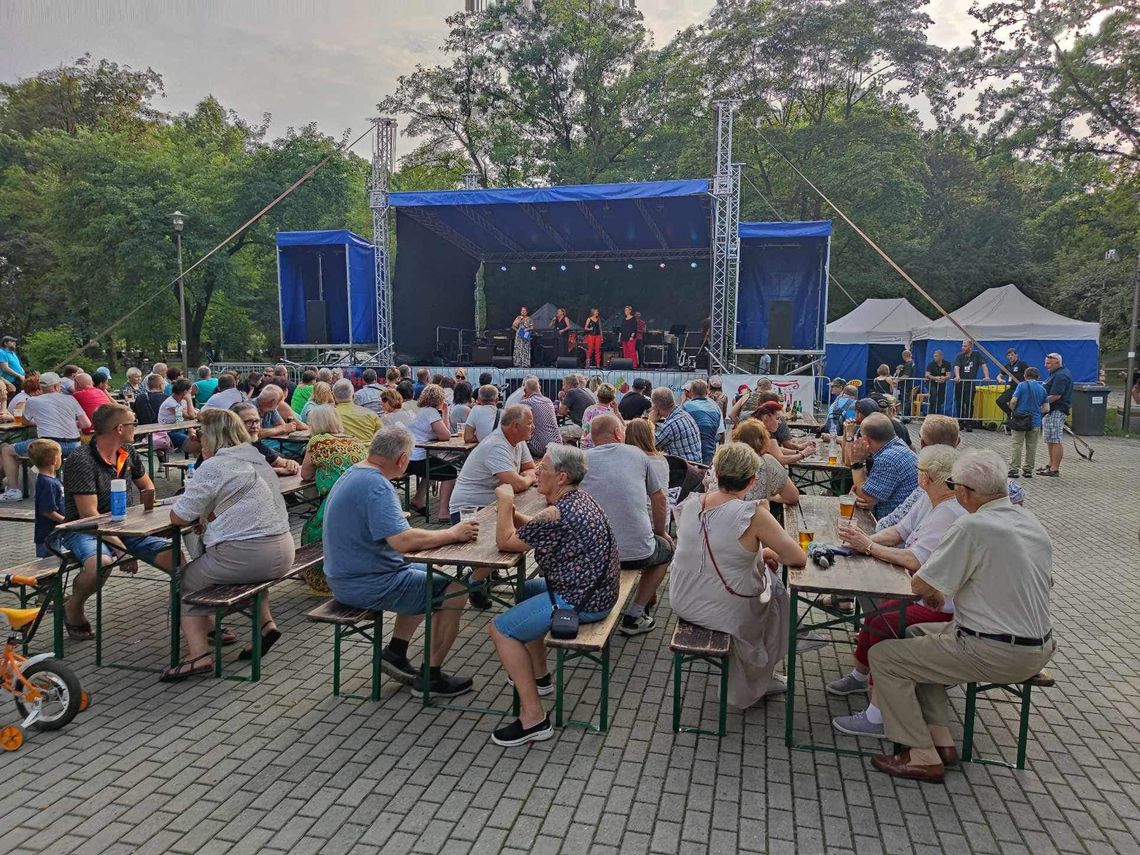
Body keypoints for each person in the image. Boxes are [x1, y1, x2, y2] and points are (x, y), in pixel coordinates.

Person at [868, 449, 1055, 782]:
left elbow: (920, 583)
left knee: (884, 657)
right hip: (1039, 648)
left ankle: (921, 754)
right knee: (915, 638)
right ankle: (941, 741)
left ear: (965, 492)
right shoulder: (1030, 520)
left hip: (993, 649)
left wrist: (934, 591)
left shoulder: (971, 525)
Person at [323, 427, 479, 695]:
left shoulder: (356, 472)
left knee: (430, 572)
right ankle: (430, 678)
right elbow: (403, 542)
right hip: (364, 582)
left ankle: (396, 651)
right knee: (456, 591)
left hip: (347, 574)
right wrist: (451, 533)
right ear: (402, 459)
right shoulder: (376, 485)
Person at [826, 446, 967, 737]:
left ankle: (876, 713)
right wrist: (860, 541)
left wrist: (869, 547)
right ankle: (860, 676)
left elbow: (915, 559)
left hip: (941, 603)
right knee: (877, 609)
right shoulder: (931, 500)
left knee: (882, 621)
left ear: (925, 477)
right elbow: (899, 532)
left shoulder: (949, 512)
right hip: (919, 589)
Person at [490, 445, 620, 746]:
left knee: (500, 630)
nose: (536, 472)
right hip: (597, 591)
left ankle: (533, 719)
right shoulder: (579, 499)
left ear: (561, 477)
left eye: (543, 469)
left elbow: (505, 541)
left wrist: (505, 501)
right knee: (526, 591)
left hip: (582, 602)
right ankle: (539, 676)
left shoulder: (555, 512)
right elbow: (534, 530)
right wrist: (512, 512)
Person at [669, 442, 808, 707]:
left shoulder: (690, 504)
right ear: (753, 480)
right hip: (722, 611)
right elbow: (797, 558)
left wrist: (760, 552)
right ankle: (759, 672)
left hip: (682, 600)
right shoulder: (753, 514)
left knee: (766, 578)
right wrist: (767, 548)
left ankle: (759, 664)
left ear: (717, 474)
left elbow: (720, 549)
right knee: (777, 594)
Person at [161, 408, 294, 681]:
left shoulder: (215, 465)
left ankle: (198, 655)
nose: (200, 440)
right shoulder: (256, 457)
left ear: (213, 436)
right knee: (250, 580)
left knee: (185, 581)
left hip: (248, 554)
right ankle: (265, 626)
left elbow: (178, 517)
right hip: (282, 549)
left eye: (202, 435)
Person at [59, 403, 172, 639]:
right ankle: (73, 608)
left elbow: (147, 486)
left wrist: (149, 518)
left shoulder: (127, 451)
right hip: (84, 528)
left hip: (124, 524)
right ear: (120, 428)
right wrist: (121, 549)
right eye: (134, 424)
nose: (137, 428)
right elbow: (89, 515)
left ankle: (195, 618)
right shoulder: (81, 460)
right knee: (101, 562)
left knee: (175, 557)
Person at [580, 414, 673, 636]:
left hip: (592, 556)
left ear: (592, 438)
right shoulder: (638, 455)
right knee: (667, 550)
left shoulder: (580, 459)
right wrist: (660, 532)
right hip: (636, 554)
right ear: (618, 433)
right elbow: (659, 499)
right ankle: (635, 614)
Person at [292, 404, 369, 592]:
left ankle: (320, 579)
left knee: (310, 529)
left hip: (335, 500)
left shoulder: (318, 442)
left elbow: (306, 474)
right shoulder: (354, 440)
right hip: (360, 500)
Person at [0, 372, 89, 501]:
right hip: (74, 445)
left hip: (49, 446)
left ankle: (14, 491)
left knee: (7, 450)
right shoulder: (71, 399)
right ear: (57, 386)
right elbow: (86, 423)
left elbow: (24, 421)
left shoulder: (33, 401)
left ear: (41, 387)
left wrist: (39, 421)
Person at [449, 405, 536, 524]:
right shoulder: (496, 445)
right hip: (469, 510)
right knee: (521, 529)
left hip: (492, 505)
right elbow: (517, 485)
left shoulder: (518, 440)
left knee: (529, 521)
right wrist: (529, 477)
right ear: (516, 426)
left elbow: (530, 468)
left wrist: (525, 477)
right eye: (529, 424)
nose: (533, 427)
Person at [849, 413, 918, 519]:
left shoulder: (888, 458)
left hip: (893, 526)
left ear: (867, 441)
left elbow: (866, 498)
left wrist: (856, 463)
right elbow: (868, 491)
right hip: (904, 521)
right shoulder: (899, 446)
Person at [407, 384, 457, 521]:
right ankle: (443, 512)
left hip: (408, 457)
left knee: (436, 467)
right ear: (440, 399)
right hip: (418, 458)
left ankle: (418, 500)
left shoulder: (421, 410)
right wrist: (446, 412)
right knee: (450, 473)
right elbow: (446, 436)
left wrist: (444, 412)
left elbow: (443, 434)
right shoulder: (431, 412)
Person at [732, 420, 800, 507]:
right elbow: (793, 497)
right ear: (764, 440)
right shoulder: (767, 462)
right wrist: (772, 497)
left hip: (723, 514)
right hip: (756, 516)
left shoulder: (725, 458)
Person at [228, 402, 301, 476]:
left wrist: (290, 463)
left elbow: (277, 461)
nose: (255, 426)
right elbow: (240, 472)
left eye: (257, 421)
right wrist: (278, 470)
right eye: (249, 422)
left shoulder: (253, 442)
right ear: (234, 423)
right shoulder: (227, 446)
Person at [1007, 366, 1047, 478]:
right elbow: (1046, 408)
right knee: (1031, 446)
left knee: (1017, 445)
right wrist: (1037, 412)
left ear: (1025, 376)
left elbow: (1014, 400)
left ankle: (1014, 469)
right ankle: (1028, 469)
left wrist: (1013, 409)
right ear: (1038, 377)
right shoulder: (1042, 389)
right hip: (1035, 421)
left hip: (1020, 420)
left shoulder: (1021, 385)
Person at [29, 439, 65, 558]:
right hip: (48, 535)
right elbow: (46, 511)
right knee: (50, 566)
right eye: (60, 455)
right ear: (55, 460)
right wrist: (65, 521)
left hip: (53, 533)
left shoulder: (49, 480)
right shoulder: (48, 483)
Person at [1039, 352, 1072, 477]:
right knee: (1050, 439)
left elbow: (1056, 396)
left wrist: (1039, 403)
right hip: (1050, 410)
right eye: (1046, 362)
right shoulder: (1055, 373)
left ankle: (1054, 469)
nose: (1045, 365)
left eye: (1048, 363)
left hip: (1056, 409)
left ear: (1057, 363)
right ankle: (1050, 464)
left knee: (1055, 439)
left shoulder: (1061, 375)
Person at [650, 387, 703, 464]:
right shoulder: (684, 414)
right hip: (695, 467)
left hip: (684, 471)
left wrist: (650, 422)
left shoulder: (670, 424)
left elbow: (649, 444)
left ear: (655, 407)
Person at [682, 379, 724, 464]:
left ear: (692, 391)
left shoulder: (686, 406)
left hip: (690, 455)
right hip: (709, 453)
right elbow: (721, 433)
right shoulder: (716, 407)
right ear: (707, 391)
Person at [518, 377, 561, 458]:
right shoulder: (548, 401)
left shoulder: (525, 403)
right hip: (557, 445)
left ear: (525, 391)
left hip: (539, 448)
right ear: (539, 388)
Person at [952, 340, 989, 431]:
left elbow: (983, 365)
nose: (963, 347)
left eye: (965, 346)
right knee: (959, 404)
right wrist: (957, 376)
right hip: (960, 384)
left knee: (969, 403)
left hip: (970, 384)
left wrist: (986, 376)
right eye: (962, 346)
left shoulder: (976, 354)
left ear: (970, 347)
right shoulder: (959, 356)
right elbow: (956, 366)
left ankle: (969, 423)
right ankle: (960, 423)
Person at [332, 379, 382, 444]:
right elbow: (382, 437)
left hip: (340, 452)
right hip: (367, 452)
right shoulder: (371, 414)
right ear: (353, 396)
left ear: (333, 396)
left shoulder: (330, 416)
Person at [994, 348, 1028, 429]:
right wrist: (1000, 379)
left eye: (1012, 355)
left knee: (1017, 405)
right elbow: (999, 375)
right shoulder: (1007, 366)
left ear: (1016, 355)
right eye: (1008, 355)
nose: (1010, 357)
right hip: (1012, 388)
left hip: (1020, 389)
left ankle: (1017, 423)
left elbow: (1028, 374)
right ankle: (1009, 413)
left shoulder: (1022, 364)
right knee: (999, 401)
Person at [581, 383, 620, 449]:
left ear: (598, 395)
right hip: (602, 447)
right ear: (612, 398)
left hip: (586, 445)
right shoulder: (611, 414)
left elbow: (585, 428)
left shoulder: (589, 409)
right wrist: (617, 412)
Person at [924, 350, 950, 416]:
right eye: (934, 356)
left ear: (941, 356)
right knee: (934, 395)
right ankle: (930, 415)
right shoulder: (931, 364)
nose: (934, 357)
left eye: (936, 356)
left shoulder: (947, 364)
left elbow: (948, 375)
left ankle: (938, 415)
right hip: (931, 382)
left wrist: (944, 378)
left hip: (941, 383)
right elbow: (927, 375)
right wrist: (935, 378)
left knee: (940, 399)